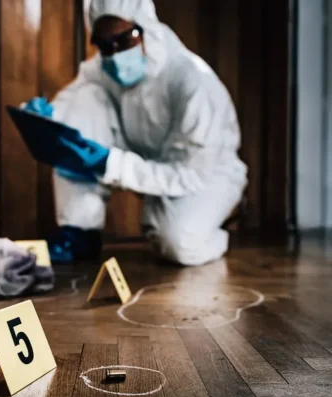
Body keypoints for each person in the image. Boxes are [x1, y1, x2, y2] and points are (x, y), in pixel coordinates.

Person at [24, 0, 247, 266]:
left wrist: (111, 164)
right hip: (144, 161)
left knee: (179, 245)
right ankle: (79, 233)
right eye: (105, 45)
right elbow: (74, 100)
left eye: (124, 39)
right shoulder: (104, 66)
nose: (115, 54)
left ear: (146, 28)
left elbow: (192, 172)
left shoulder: (192, 81)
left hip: (204, 175)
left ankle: (222, 224)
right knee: (85, 98)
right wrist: (48, 117)